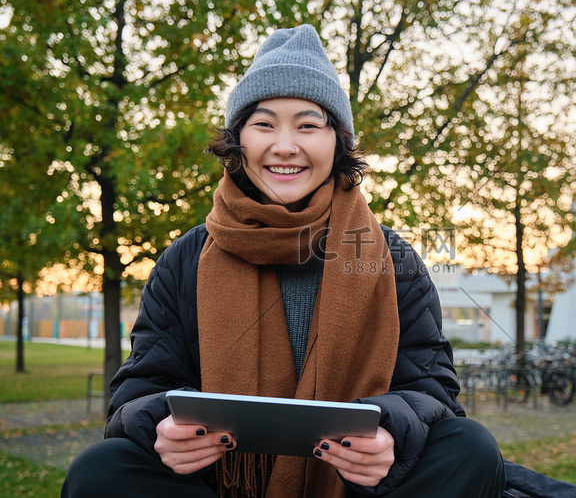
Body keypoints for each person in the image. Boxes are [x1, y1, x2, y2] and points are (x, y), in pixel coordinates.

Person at [61, 24, 505, 498]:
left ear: (338, 144)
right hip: (217, 484)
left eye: (308, 125)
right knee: (100, 469)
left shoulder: (391, 258)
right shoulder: (185, 258)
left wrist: (391, 433)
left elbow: (432, 387)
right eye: (264, 124)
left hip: (354, 487)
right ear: (238, 142)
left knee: (470, 447)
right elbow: (143, 385)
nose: (286, 145)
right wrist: (161, 428)